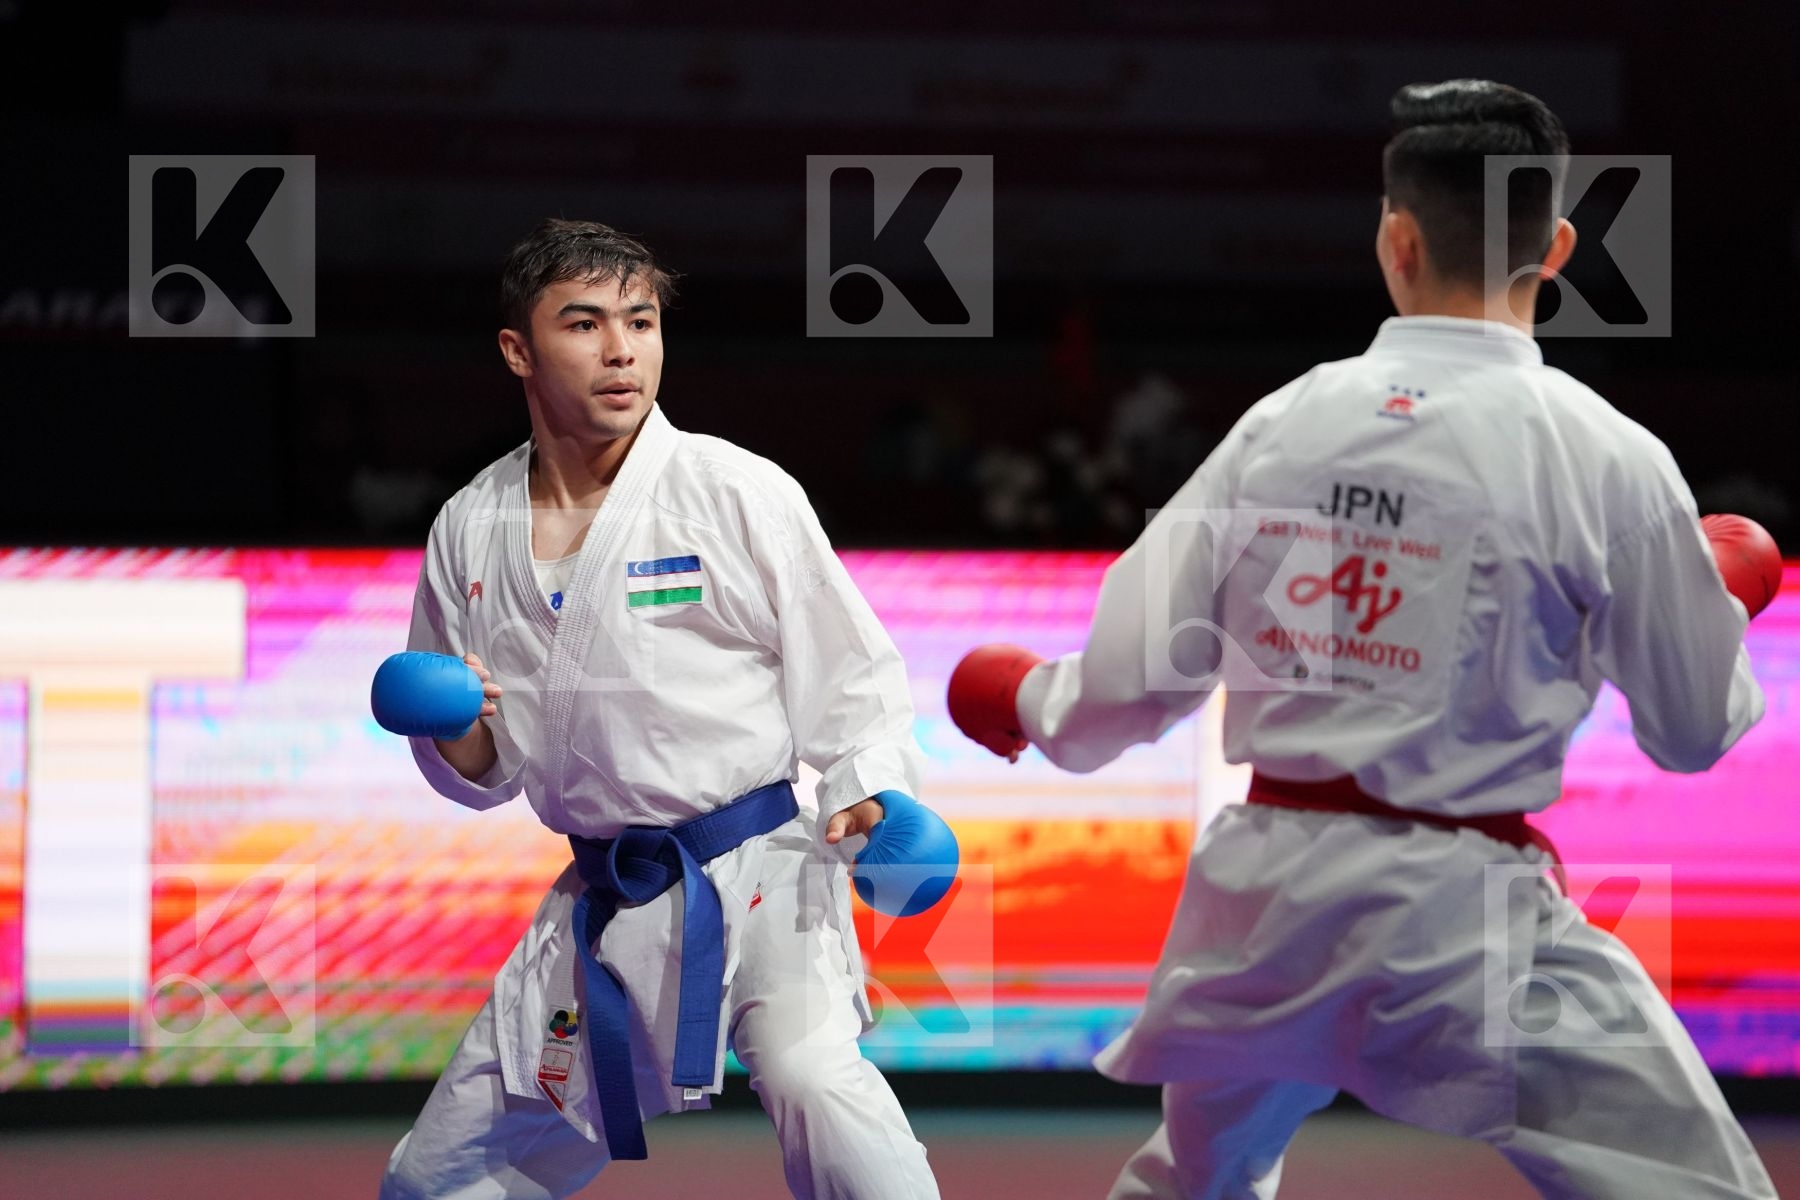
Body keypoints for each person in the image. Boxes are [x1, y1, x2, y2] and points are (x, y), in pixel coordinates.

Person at [948, 80, 1781, 1199]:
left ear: (1396, 239)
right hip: (1467, 919)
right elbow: (1691, 732)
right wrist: (1721, 604)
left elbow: (1128, 686)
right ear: (1557, 250)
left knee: (1196, 1181)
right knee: (1694, 1186)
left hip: (1263, 909)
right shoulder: (1609, 459)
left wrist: (1026, 700)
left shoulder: (1282, 424)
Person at [380, 219, 941, 1200]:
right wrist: (450, 724)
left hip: (763, 871)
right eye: (584, 324)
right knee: (437, 1180)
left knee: (815, 1080)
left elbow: (857, 686)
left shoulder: (733, 492)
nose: (621, 350)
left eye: (640, 322)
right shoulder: (470, 526)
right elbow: (483, 769)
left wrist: (873, 794)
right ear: (518, 350)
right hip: (606, 896)